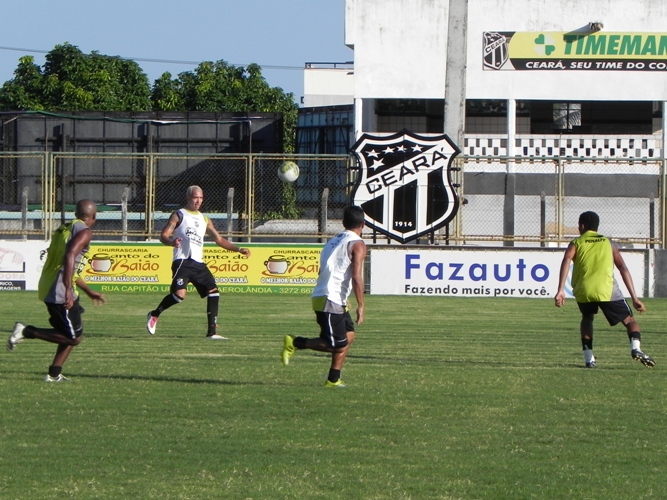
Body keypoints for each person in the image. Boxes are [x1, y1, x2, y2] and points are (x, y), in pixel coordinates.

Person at [7, 199, 106, 382]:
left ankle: (54, 374)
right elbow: (70, 256)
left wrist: (87, 290)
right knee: (74, 338)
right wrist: (68, 290)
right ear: (94, 216)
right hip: (60, 290)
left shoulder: (64, 228)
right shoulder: (84, 232)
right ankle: (26, 331)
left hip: (52, 285)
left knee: (70, 333)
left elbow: (68, 264)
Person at [146, 185, 251, 339]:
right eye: (195, 197)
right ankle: (154, 314)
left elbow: (219, 240)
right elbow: (164, 235)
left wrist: (239, 249)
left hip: (198, 263)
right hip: (182, 261)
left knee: (213, 292)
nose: (198, 201)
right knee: (179, 296)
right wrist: (171, 242)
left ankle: (212, 333)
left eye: (201, 198)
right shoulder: (178, 215)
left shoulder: (205, 219)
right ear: (188, 197)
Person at [555, 211, 654, 368]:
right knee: (629, 320)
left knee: (587, 318)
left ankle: (589, 359)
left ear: (581, 226)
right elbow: (622, 268)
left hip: (584, 290)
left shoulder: (577, 242)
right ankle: (636, 349)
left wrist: (561, 290)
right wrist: (635, 297)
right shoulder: (609, 243)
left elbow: (566, 259)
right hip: (607, 290)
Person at [281, 205, 367, 387]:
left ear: (343, 223)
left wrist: (344, 298)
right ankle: (295, 342)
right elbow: (357, 276)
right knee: (336, 344)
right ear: (363, 224)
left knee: (349, 336)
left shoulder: (333, 241)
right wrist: (361, 305)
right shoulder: (358, 244)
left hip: (333, 298)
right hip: (330, 299)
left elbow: (324, 270)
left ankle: (333, 380)